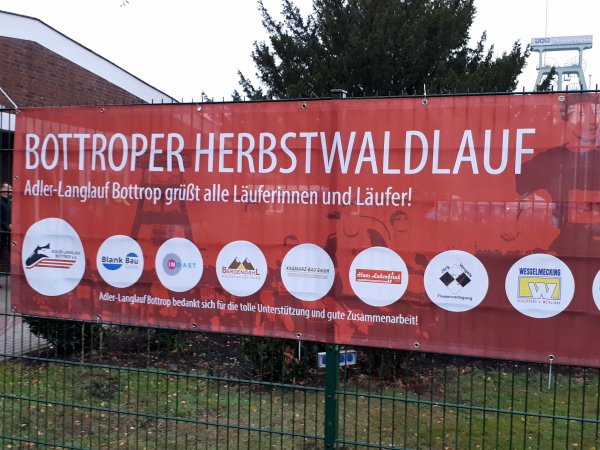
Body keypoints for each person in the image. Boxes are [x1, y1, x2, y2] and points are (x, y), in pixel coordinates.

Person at [501, 93, 600, 257]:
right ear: (566, 119)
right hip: (560, 246)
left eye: (596, 113)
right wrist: (514, 223)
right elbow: (517, 199)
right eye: (582, 114)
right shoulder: (545, 160)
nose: (592, 121)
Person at [0, 182, 11, 268]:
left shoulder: (10, 202)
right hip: (2, 230)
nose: (10, 190)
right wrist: (7, 225)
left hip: (7, 231)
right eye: (8, 188)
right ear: (2, 189)